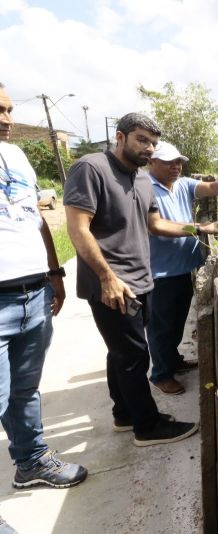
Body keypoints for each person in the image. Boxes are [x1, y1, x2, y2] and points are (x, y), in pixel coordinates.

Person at [63, 113, 218, 447]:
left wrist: (198, 228)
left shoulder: (139, 180)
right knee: (135, 357)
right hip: (113, 284)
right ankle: (147, 426)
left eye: (152, 142)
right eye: (141, 140)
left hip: (142, 279)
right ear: (120, 137)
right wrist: (106, 278)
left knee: (121, 353)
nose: (149, 148)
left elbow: (156, 224)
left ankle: (124, 414)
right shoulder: (92, 169)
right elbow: (77, 228)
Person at [0, 82, 87, 534]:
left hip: (32, 291)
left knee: (25, 389)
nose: (7, 120)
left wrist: (55, 273)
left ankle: (30, 461)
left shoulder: (16, 157)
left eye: (10, 110)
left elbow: (34, 219)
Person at [146, 141, 218, 395]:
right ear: (151, 163)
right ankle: (161, 374)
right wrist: (200, 227)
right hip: (160, 271)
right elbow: (156, 226)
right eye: (169, 162)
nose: (176, 166)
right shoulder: (145, 189)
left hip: (183, 267)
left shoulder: (183, 184)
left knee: (176, 322)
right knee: (161, 328)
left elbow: (210, 187)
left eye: (178, 161)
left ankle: (172, 361)